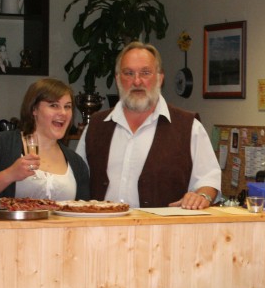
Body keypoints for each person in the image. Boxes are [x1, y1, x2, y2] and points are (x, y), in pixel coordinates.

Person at [75, 42, 221, 210]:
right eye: (129, 73)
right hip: (102, 225)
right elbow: (77, 179)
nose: (137, 81)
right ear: (118, 79)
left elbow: (209, 180)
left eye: (145, 73)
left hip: (163, 226)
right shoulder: (96, 126)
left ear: (160, 78)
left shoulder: (189, 127)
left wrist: (201, 196)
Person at [0, 78, 90, 201]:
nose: (63, 113)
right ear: (34, 109)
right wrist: (9, 174)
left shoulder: (76, 163)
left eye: (67, 107)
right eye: (54, 105)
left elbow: (83, 209)